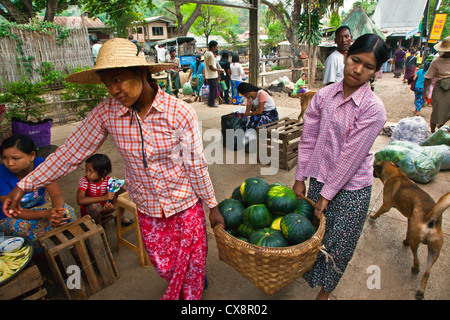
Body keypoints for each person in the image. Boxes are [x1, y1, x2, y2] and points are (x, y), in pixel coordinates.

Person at [1, 38, 224, 300]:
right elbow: (71, 152)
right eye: (108, 83)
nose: (114, 90)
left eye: (119, 79)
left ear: (141, 73)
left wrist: (212, 206)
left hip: (184, 203)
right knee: (166, 265)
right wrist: (24, 185)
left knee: (192, 265)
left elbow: (195, 164)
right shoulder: (107, 113)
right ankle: (187, 275)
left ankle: (192, 285)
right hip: (148, 206)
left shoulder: (179, 112)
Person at [293, 33, 388, 300]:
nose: (358, 70)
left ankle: (325, 294)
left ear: (376, 72)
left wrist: (326, 195)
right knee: (314, 238)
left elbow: (351, 157)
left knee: (338, 246)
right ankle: (309, 277)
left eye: (368, 67)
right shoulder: (323, 96)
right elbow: (308, 138)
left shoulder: (373, 109)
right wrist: (301, 177)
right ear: (346, 57)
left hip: (352, 189)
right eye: (355, 60)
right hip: (319, 180)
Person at [0, 135, 76, 251]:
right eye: (5, 158)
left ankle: (72, 250)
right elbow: (14, 212)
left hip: (40, 208)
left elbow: (56, 195)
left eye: (15, 158)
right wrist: (46, 214)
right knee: (25, 229)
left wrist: (56, 211)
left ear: (32, 156)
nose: (9, 163)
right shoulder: (1, 174)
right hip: (12, 217)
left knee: (67, 212)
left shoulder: (42, 165)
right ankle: (48, 258)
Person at [77, 154, 132, 227]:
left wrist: (112, 206)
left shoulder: (109, 181)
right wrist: (104, 197)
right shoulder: (84, 181)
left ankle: (120, 216)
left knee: (122, 191)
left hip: (106, 209)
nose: (87, 173)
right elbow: (80, 200)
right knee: (94, 207)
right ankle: (98, 227)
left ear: (103, 172)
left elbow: (113, 196)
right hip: (91, 212)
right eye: (86, 170)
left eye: (91, 171)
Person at [422, 36, 450, 133]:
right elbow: (427, 78)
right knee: (437, 112)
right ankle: (433, 132)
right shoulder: (436, 62)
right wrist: (424, 93)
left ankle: (441, 127)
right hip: (441, 88)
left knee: (447, 113)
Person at [204, 40, 224, 108]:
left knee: (212, 89)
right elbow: (211, 67)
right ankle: (212, 103)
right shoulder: (210, 55)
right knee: (213, 90)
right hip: (212, 75)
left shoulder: (206, 53)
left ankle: (210, 102)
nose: (216, 48)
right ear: (212, 47)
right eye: (215, 47)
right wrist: (219, 70)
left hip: (209, 75)